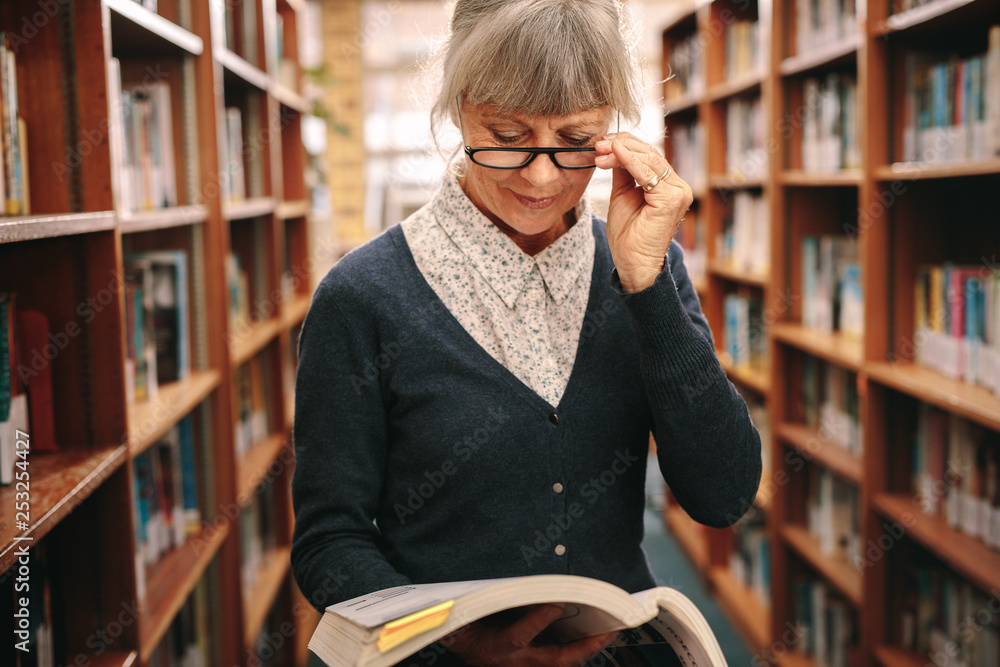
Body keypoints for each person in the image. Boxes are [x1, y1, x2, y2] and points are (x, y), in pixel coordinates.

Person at [291, 0, 762, 665]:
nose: (541, 177)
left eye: (575, 141)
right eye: (507, 135)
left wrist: (647, 290)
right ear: (458, 108)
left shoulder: (643, 268)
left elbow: (724, 496)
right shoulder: (362, 295)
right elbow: (328, 541)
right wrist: (454, 646)